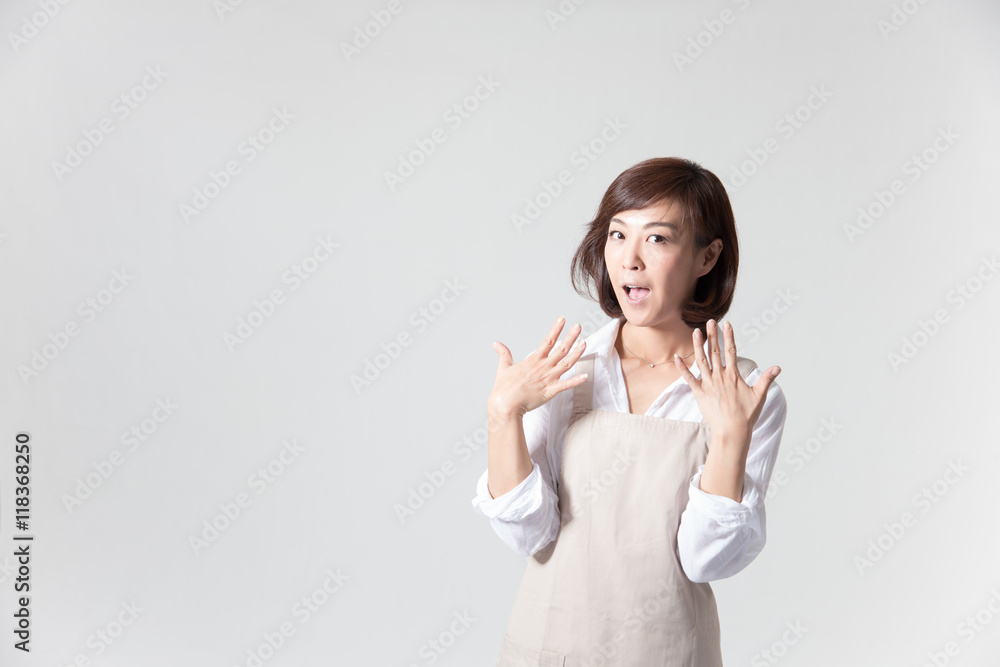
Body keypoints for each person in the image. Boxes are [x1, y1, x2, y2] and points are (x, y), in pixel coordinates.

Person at [470, 157, 789, 666]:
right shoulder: (563, 374)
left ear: (707, 257)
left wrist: (730, 437)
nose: (630, 260)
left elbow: (706, 560)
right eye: (618, 235)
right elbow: (529, 534)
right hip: (549, 647)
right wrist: (501, 417)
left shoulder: (744, 395)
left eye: (657, 238)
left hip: (670, 652)